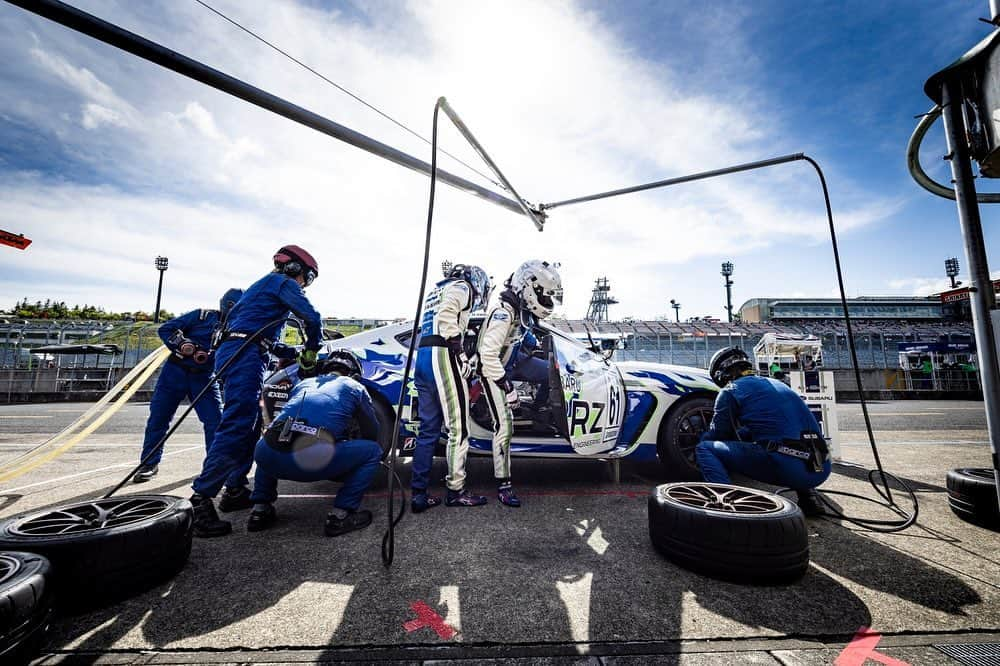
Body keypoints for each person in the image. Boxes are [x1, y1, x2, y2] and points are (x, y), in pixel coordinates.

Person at [190, 245, 323, 538]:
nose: (305, 284)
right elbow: (312, 318)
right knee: (238, 424)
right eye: (308, 277)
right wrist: (312, 349)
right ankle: (201, 500)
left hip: (239, 351)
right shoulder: (283, 283)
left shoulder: (257, 288)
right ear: (294, 269)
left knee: (249, 425)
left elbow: (251, 329)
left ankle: (235, 489)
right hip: (244, 356)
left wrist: (285, 350)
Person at [246, 350, 382, 536]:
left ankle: (260, 509)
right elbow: (372, 432)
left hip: (266, 453)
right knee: (372, 451)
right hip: (309, 461)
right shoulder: (354, 387)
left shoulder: (303, 383)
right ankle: (341, 515)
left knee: (273, 442)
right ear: (354, 374)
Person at [695, 347, 831, 517]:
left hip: (788, 466)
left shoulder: (730, 391)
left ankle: (724, 506)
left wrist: (701, 438)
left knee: (705, 448)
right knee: (785, 438)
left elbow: (719, 433)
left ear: (721, 374)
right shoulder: (779, 384)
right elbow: (771, 426)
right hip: (821, 467)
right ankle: (810, 497)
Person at [133, 288, 242, 483]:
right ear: (230, 305)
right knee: (159, 417)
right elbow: (166, 329)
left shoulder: (238, 329)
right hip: (175, 372)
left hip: (205, 378)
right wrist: (184, 344)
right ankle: (149, 463)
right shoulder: (201, 316)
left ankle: (213, 466)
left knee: (215, 421)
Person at [477, 260, 563, 507]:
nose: (546, 301)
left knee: (552, 373)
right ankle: (503, 485)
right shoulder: (503, 314)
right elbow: (487, 357)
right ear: (528, 289)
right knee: (505, 427)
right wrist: (508, 388)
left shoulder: (520, 313)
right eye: (543, 295)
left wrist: (534, 344)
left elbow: (524, 336)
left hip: (514, 361)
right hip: (493, 371)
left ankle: (537, 409)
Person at [410, 263, 491, 512]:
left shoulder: (437, 290)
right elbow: (447, 316)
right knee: (459, 429)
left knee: (428, 431)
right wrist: (461, 354)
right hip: (441, 357)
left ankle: (419, 494)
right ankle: (456, 490)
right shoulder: (461, 287)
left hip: (423, 359)